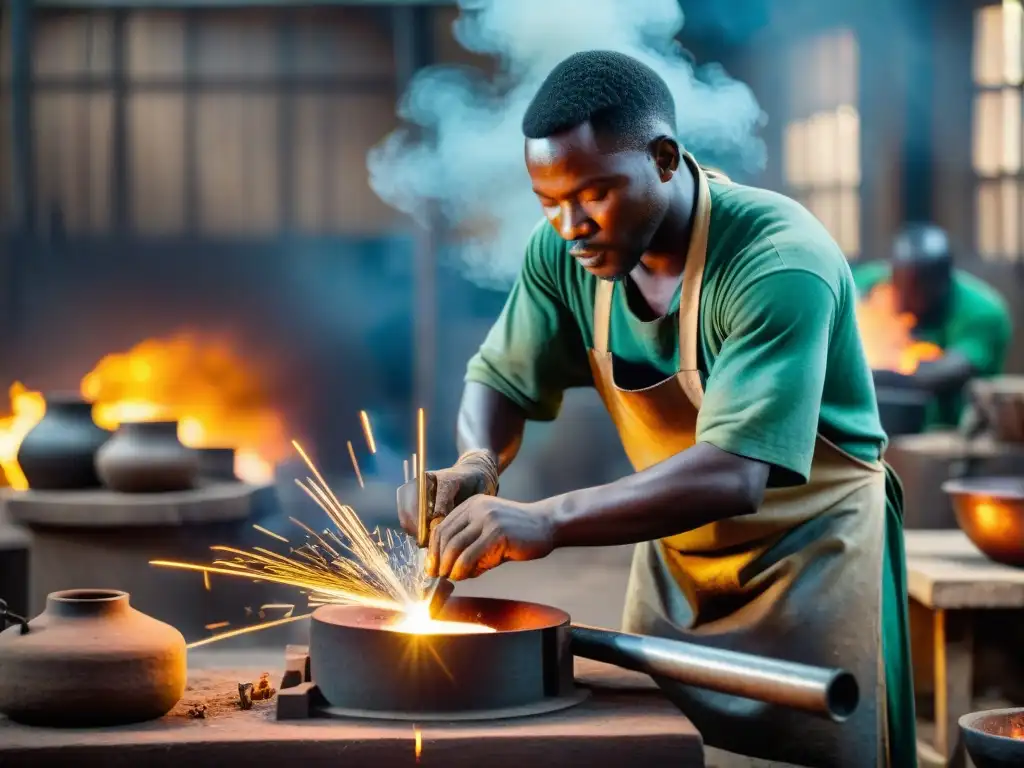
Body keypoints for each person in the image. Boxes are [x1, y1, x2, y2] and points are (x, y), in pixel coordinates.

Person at [397, 50, 915, 768]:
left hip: (813, 565)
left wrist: (543, 519)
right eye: (549, 202)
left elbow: (735, 475)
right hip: (679, 566)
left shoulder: (779, 261)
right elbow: (498, 381)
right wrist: (478, 460)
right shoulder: (564, 256)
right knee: (656, 750)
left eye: (594, 193)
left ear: (666, 158)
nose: (570, 224)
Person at [853, 224, 1012, 430]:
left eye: (916, 289)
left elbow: (945, 373)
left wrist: (872, 373)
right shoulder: (872, 285)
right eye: (899, 285)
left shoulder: (983, 312)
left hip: (958, 433)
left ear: (942, 282)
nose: (903, 299)